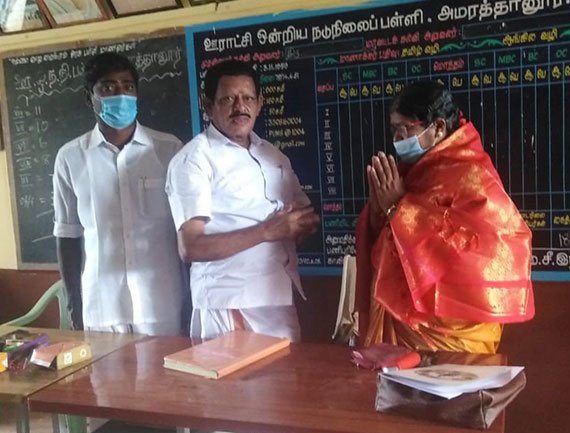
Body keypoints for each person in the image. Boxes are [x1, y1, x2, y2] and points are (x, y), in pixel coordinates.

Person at [355, 80, 534, 353]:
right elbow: (385, 238)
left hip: (449, 329)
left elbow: (476, 254)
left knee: (450, 380)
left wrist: (399, 208)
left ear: (438, 127)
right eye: (394, 130)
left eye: (406, 128)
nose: (398, 139)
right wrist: (379, 212)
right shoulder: (408, 172)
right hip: (402, 321)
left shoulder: (473, 176)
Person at [166, 59, 319, 342]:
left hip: (277, 297)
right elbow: (191, 247)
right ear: (207, 105)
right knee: (235, 374)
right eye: (228, 99)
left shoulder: (273, 155)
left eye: (248, 98)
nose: (240, 107)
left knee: (288, 372)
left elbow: (303, 216)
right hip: (227, 304)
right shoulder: (194, 159)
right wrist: (268, 231)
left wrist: (301, 225)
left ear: (260, 104)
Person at [52, 52, 186, 336]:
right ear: (89, 97)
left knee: (166, 368)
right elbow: (67, 236)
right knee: (105, 369)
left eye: (128, 86)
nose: (120, 95)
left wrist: (190, 298)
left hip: (161, 302)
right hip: (101, 306)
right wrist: (74, 303)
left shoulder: (169, 150)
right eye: (108, 87)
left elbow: (185, 230)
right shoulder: (70, 157)